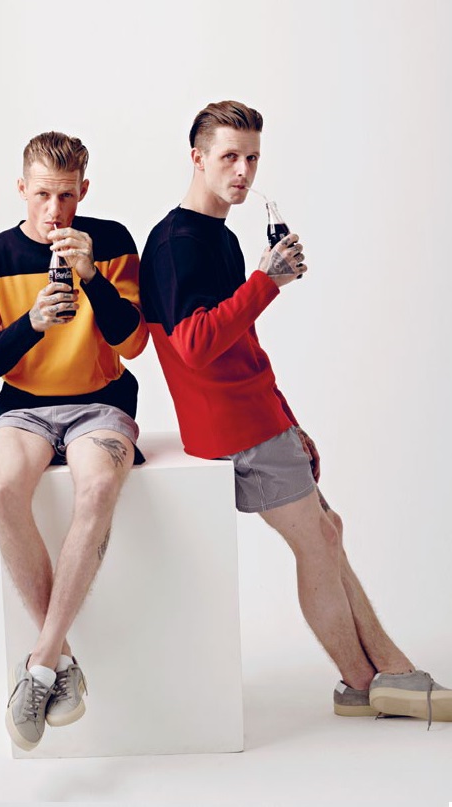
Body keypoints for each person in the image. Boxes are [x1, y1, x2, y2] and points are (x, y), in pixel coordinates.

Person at [140, 100, 452, 727]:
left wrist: (288, 418)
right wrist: (267, 281)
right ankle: (369, 681)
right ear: (197, 158)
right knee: (317, 540)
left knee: (327, 532)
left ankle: (377, 676)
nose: (243, 171)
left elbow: (243, 344)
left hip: (256, 414)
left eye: (252, 158)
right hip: (232, 425)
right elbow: (193, 346)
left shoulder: (219, 236)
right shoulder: (176, 244)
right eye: (229, 156)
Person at [0, 131, 148, 751]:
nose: (54, 210)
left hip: (101, 402)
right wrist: (32, 323)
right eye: (42, 194)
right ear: (22, 189)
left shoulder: (111, 242)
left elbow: (134, 343)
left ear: (83, 191)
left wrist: (93, 276)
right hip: (25, 408)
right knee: (0, 487)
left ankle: (40, 666)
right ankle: (61, 658)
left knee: (95, 488)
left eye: (66, 196)